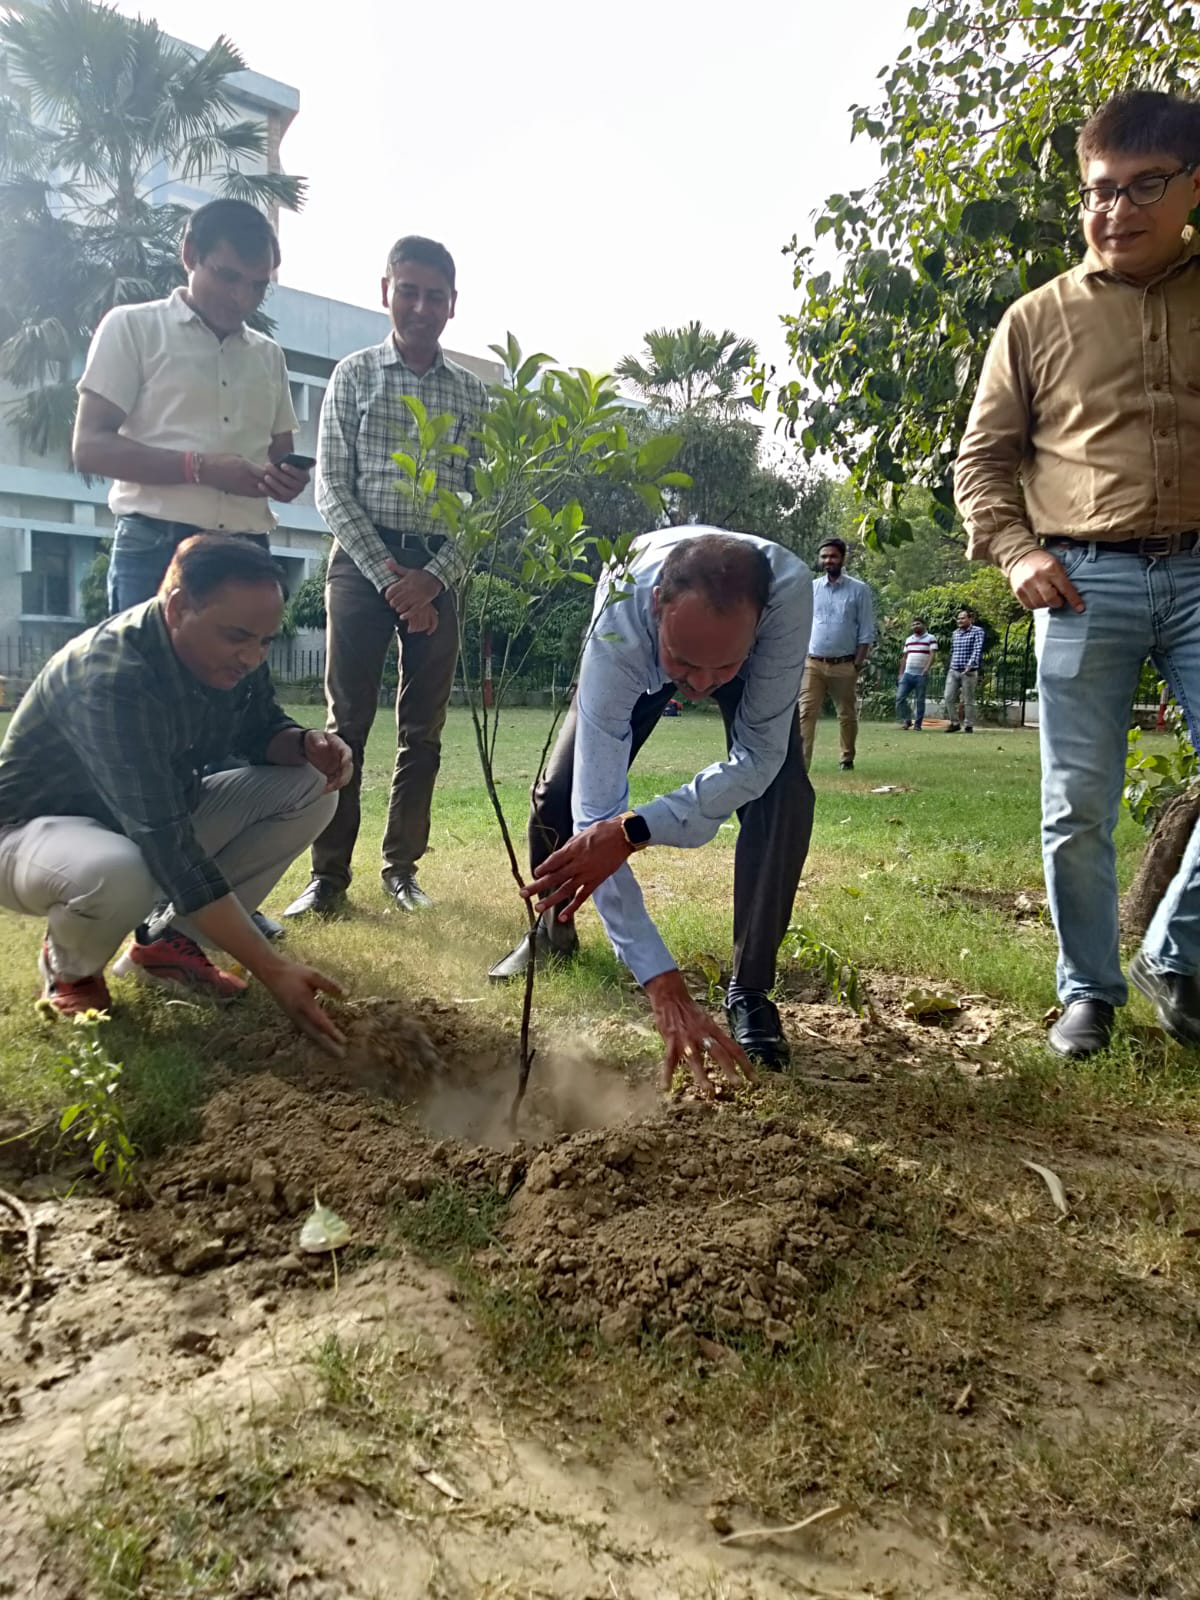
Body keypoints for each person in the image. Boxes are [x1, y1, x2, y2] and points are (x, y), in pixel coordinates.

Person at [955, 88, 1200, 1059]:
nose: (1117, 209)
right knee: (1076, 807)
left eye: (1145, 186)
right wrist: (1017, 552)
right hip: (1083, 582)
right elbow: (982, 461)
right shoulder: (1034, 319)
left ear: (1192, 186)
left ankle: (1173, 956)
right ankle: (1089, 992)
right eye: (1100, 190)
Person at [0, 536, 351, 1056]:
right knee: (120, 869)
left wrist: (305, 743)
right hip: (32, 838)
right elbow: (166, 843)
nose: (252, 656)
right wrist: (273, 969)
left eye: (265, 641)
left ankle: (170, 946)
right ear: (180, 606)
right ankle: (71, 971)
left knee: (311, 786)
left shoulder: (228, 657)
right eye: (238, 637)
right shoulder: (112, 675)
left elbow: (260, 729)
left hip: (142, 821)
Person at [488, 529, 815, 1086]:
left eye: (721, 668)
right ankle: (551, 933)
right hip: (635, 645)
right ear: (658, 603)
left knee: (783, 796)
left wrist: (635, 829)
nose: (700, 688)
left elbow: (759, 757)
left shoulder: (787, 595)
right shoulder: (619, 621)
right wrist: (660, 979)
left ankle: (751, 988)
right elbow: (595, 815)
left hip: (737, 659)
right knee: (558, 796)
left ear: (757, 624)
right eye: (684, 663)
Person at [283, 236, 488, 921]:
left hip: (438, 567)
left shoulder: (472, 395)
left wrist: (431, 580)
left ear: (453, 305)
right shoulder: (354, 376)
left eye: (435, 296)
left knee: (423, 731)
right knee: (346, 724)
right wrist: (389, 577)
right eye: (409, 292)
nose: (421, 307)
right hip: (360, 561)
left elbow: (485, 504)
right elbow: (332, 490)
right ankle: (327, 876)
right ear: (385, 292)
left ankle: (401, 870)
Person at [72, 199, 310, 611]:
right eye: (228, 276)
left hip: (247, 548)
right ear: (189, 254)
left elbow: (280, 457)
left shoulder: (269, 355)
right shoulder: (132, 327)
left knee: (243, 658)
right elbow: (89, 447)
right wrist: (201, 468)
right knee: (147, 658)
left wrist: (287, 481)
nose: (241, 298)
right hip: (156, 545)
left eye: (258, 286)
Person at [798, 537, 875, 770]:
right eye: (824, 556)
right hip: (813, 663)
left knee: (846, 715)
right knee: (806, 712)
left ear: (842, 558)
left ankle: (846, 758)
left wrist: (856, 665)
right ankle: (801, 764)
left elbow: (866, 631)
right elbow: (802, 623)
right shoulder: (811, 588)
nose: (828, 560)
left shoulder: (859, 590)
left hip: (844, 664)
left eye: (833, 556)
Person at [942, 608, 986, 732]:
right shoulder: (955, 633)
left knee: (968, 699)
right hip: (954, 670)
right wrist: (950, 665)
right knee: (948, 697)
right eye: (958, 618)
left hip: (969, 672)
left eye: (962, 618)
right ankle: (955, 723)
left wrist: (970, 664)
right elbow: (952, 651)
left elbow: (977, 649)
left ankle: (968, 725)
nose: (960, 620)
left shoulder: (977, 631)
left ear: (970, 619)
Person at [896, 617, 938, 730]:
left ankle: (918, 725)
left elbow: (932, 655)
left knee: (920, 700)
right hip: (907, 674)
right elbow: (904, 657)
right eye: (913, 624)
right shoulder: (909, 640)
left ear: (924, 625)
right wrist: (900, 673)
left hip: (921, 675)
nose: (915, 626)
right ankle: (907, 720)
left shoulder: (931, 638)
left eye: (918, 624)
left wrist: (926, 668)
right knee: (900, 698)